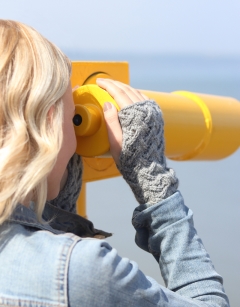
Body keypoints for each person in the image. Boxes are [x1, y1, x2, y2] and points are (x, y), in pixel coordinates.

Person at [0, 19, 230, 307]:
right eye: (72, 119)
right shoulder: (78, 271)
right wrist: (153, 183)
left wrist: (56, 213)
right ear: (49, 127)